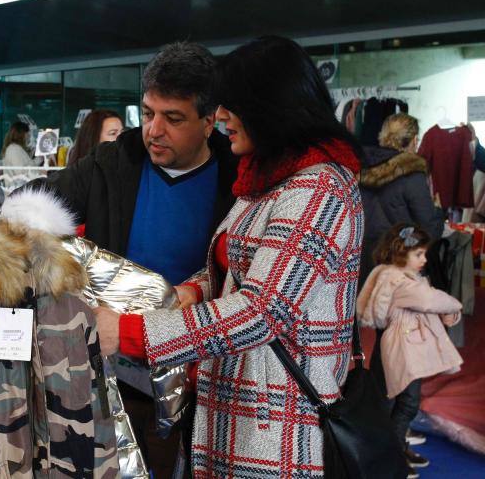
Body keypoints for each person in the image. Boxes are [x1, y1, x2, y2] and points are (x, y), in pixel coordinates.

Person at [93, 36, 363, 477]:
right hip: (236, 414)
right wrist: (194, 289)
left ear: (269, 107)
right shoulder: (268, 178)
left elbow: (262, 311)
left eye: (231, 105)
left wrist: (130, 332)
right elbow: (242, 265)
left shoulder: (318, 190)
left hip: (276, 428)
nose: (221, 116)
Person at [30, 41, 238, 478]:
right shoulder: (112, 162)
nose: (154, 130)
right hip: (114, 375)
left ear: (209, 121)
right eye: (147, 113)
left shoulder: (241, 180)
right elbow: (35, 206)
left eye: (173, 118)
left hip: (207, 376)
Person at [357, 223, 463, 478]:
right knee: (403, 402)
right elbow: (430, 300)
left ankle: (392, 450)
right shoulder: (399, 280)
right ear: (400, 252)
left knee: (394, 400)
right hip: (403, 347)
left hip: (398, 345)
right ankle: (388, 455)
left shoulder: (391, 275)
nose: (424, 260)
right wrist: (454, 304)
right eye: (419, 254)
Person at [359, 113, 443, 282]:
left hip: (363, 261)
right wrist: (439, 211)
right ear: (411, 140)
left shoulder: (361, 166)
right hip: (399, 262)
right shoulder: (412, 174)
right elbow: (428, 228)